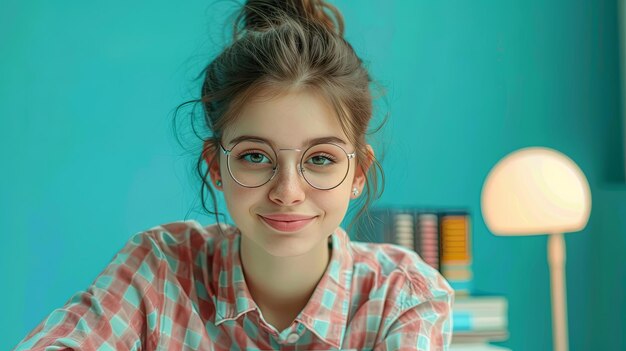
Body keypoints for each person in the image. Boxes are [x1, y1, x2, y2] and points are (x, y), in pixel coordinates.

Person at [13, 0, 454, 350]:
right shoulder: (160, 268)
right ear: (215, 166)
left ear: (358, 171)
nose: (288, 192)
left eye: (320, 159)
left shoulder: (404, 296)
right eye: (255, 157)